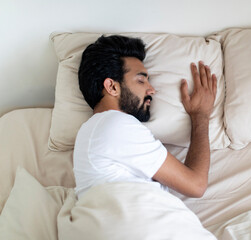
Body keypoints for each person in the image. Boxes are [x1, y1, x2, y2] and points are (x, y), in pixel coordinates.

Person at [73, 35, 217, 199]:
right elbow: (196, 185)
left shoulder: (93, 129)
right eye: (141, 80)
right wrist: (201, 115)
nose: (151, 90)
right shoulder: (117, 125)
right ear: (112, 87)